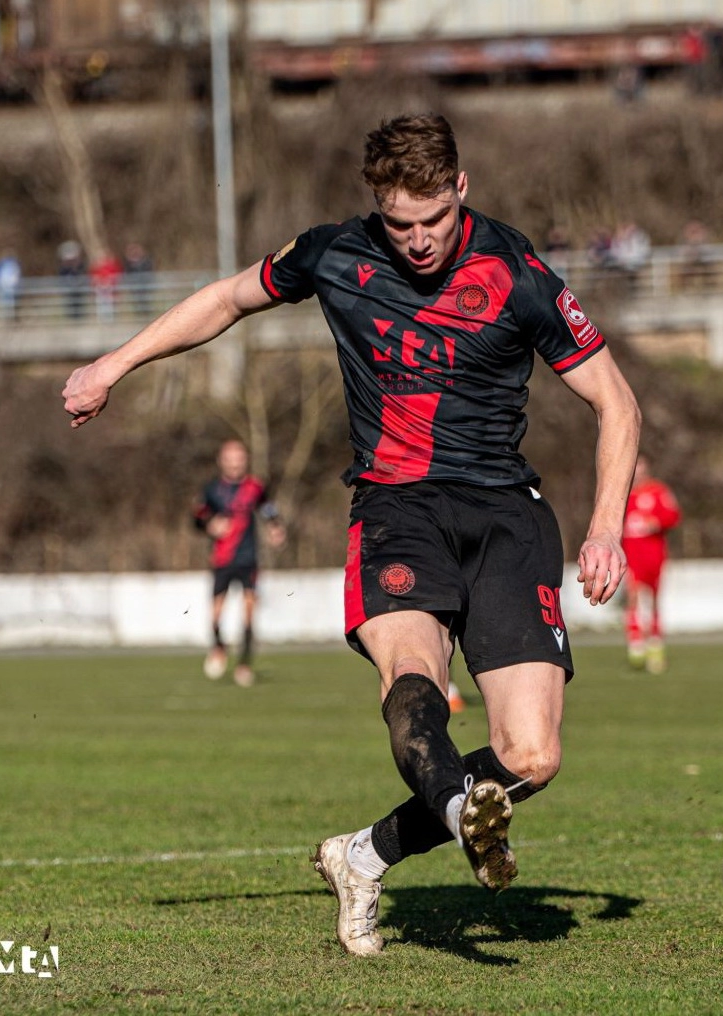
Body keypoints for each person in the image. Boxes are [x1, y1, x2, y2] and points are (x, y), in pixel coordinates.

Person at [61, 113, 640, 956]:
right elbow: (227, 300)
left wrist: (607, 527)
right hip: (396, 508)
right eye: (399, 224)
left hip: (507, 517)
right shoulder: (335, 252)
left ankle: (362, 856)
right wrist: (110, 366)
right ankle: (457, 810)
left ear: (461, 189)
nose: (416, 241)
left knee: (533, 755)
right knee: (414, 679)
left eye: (433, 221)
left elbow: (615, 401)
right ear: (377, 206)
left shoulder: (517, 273)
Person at [193, 439, 286, 688]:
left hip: (248, 558)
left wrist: (275, 527)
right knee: (215, 614)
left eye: (239, 457)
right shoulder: (213, 489)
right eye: (230, 458)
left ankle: (244, 665)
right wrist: (210, 525)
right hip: (222, 559)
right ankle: (219, 647)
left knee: (248, 613)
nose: (235, 463)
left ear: (244, 460)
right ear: (222, 461)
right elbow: (198, 516)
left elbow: (267, 508)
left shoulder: (254, 487)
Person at [621, 455, 681, 673]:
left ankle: (655, 646)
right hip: (630, 557)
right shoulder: (621, 494)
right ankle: (636, 645)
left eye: (641, 468)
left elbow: (673, 515)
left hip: (654, 556)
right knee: (633, 597)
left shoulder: (658, 491)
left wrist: (655, 522)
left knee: (654, 600)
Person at [0, 250, 22, 322]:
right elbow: (17, 276)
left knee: (4, 304)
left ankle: (4, 319)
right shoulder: (14, 265)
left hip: (3, 286)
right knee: (9, 303)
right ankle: (9, 319)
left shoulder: (1, 264)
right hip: (10, 286)